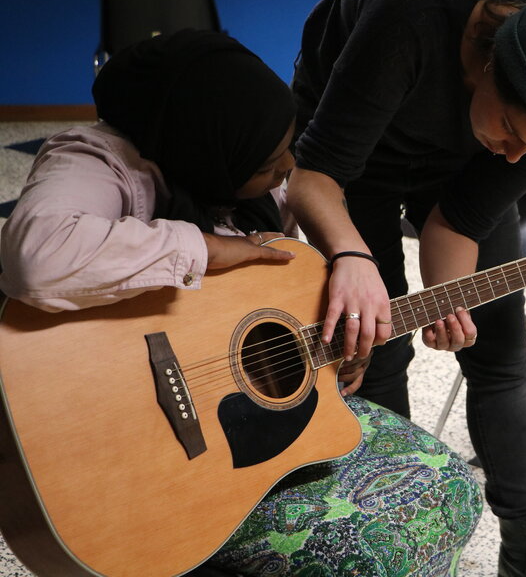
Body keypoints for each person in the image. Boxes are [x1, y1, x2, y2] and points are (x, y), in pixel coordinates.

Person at [0, 29, 481, 575]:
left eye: (288, 149)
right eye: (265, 163)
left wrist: (331, 350)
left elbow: (259, 299)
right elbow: (36, 257)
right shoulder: (96, 159)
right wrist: (208, 249)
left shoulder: (236, 172)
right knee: (377, 551)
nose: (284, 172)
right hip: (121, 445)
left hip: (237, 442)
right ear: (207, 146)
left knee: (451, 487)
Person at [285, 0, 526, 574]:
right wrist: (353, 260)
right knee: (377, 348)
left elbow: (457, 220)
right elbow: (312, 180)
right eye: (510, 129)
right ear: (491, 62)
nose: (513, 156)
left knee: (500, 346)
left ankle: (525, 547)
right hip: (351, 163)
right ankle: (393, 530)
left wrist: (448, 300)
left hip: (455, 154)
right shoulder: (407, 13)